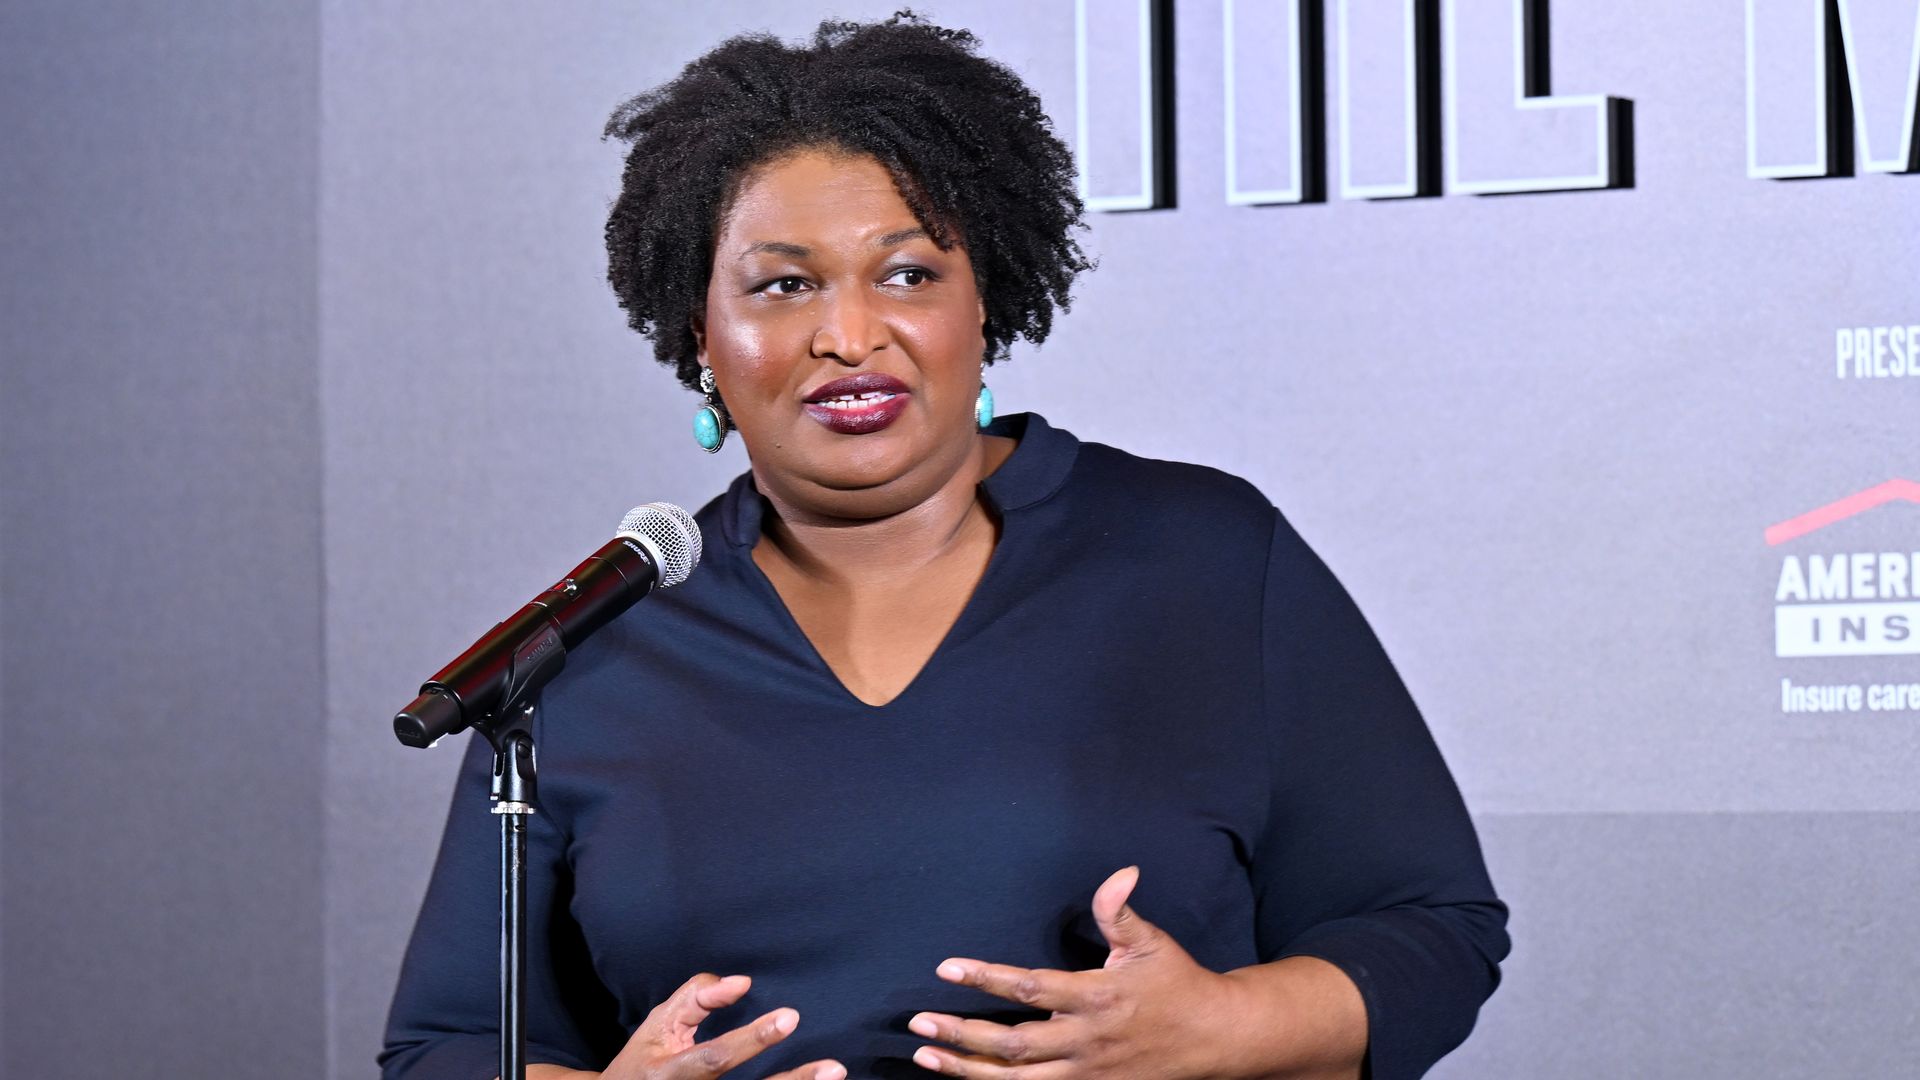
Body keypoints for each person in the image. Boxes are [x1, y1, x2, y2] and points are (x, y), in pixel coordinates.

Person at [381, 13, 1507, 1080]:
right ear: (702, 336)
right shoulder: (594, 645)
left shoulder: (1203, 558)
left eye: (909, 274)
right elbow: (445, 1045)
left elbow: (1433, 931)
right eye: (783, 285)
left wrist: (1219, 1030)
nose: (849, 334)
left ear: (986, 304)